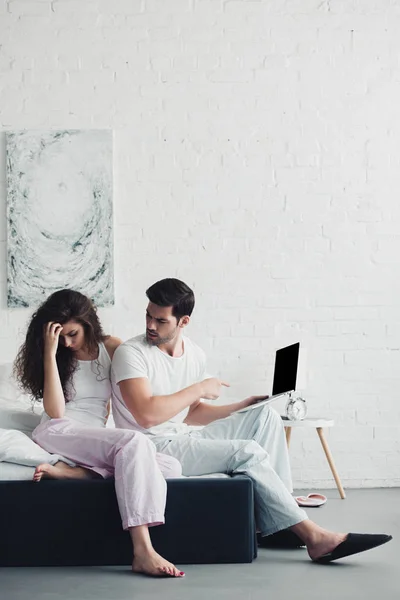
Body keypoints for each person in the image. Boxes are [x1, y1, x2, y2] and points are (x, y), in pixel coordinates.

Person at [111, 278, 392, 564]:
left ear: (183, 321)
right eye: (148, 315)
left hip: (183, 437)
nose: (150, 325)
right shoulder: (131, 354)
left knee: (264, 416)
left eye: (160, 320)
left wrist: (239, 408)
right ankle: (314, 538)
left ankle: (275, 526)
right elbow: (146, 415)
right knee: (246, 451)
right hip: (151, 447)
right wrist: (199, 388)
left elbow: (192, 412)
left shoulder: (194, 354)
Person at [13, 289, 185, 578]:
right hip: (59, 430)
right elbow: (55, 412)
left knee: (171, 467)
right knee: (133, 444)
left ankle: (79, 473)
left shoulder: (112, 347)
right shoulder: (56, 354)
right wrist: (49, 351)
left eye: (72, 335)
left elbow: (132, 392)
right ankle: (142, 549)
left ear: (88, 325)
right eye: (61, 336)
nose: (67, 342)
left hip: (92, 436)